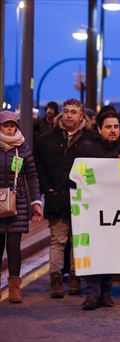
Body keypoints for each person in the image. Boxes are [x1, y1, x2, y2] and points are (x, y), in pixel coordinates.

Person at [35, 99, 96, 298]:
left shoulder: (92, 139)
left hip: (82, 199)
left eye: (74, 112)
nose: (69, 115)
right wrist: (48, 189)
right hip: (56, 197)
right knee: (58, 240)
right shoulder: (46, 139)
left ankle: (75, 278)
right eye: (66, 111)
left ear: (81, 116)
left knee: (78, 242)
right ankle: (56, 280)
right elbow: (39, 167)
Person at [75, 110, 120, 310]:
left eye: (116, 127)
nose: (113, 131)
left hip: (113, 210)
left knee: (109, 251)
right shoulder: (87, 148)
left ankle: (106, 293)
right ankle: (92, 294)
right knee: (92, 251)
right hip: (91, 208)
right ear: (99, 129)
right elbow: (73, 177)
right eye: (108, 127)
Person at [0, 111, 42, 303]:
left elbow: (32, 176)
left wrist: (36, 202)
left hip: (18, 203)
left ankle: (14, 288)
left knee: (14, 245)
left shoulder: (23, 148)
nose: (10, 128)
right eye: (5, 125)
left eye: (12, 125)